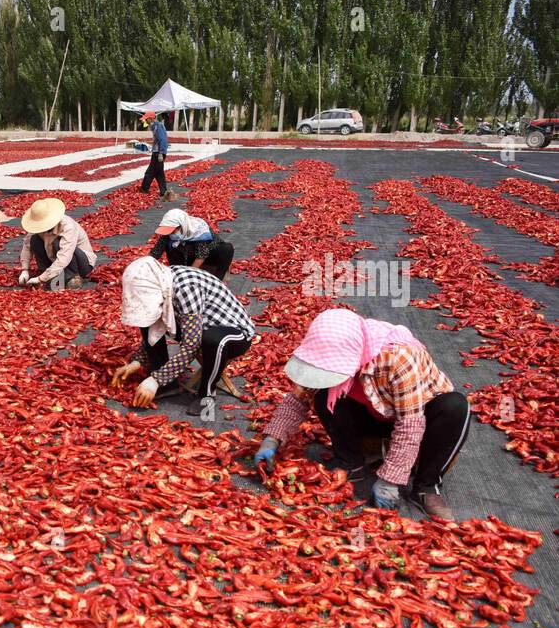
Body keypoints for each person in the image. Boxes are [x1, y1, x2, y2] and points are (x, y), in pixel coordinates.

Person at [254, 308, 469, 521]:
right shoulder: (327, 349)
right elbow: (297, 399)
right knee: (323, 394)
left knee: (455, 406)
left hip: (418, 420)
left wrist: (390, 480)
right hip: (374, 415)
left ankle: (426, 486)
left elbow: (410, 425)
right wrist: (271, 439)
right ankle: (352, 462)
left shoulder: (399, 358)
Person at [112, 256, 255, 416]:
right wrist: (137, 362)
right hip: (200, 327)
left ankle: (207, 395)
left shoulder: (186, 287)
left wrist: (154, 380)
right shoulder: (165, 284)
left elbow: (191, 345)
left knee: (213, 340)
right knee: (149, 321)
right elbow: (156, 329)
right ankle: (168, 384)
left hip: (233, 332)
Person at [17, 198, 96, 289]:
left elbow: (64, 256)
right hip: (55, 260)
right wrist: (24, 270)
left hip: (81, 265)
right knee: (34, 239)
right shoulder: (37, 228)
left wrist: (40, 279)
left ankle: (72, 277)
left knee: (57, 243)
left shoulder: (67, 226)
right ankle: (50, 275)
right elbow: (27, 246)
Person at [149, 208, 235, 280]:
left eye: (172, 231)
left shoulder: (199, 230)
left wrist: (188, 276)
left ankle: (217, 280)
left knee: (227, 248)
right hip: (187, 256)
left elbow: (201, 256)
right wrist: (143, 265)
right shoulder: (168, 234)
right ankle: (178, 274)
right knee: (170, 246)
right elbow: (155, 253)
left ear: (181, 226)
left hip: (208, 256)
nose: (170, 234)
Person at [139, 110, 169, 198]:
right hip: (157, 152)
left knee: (150, 172)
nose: (145, 121)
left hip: (158, 153)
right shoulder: (154, 126)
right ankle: (163, 191)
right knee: (159, 173)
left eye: (146, 119)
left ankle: (144, 189)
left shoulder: (158, 126)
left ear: (151, 119)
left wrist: (161, 153)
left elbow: (163, 140)